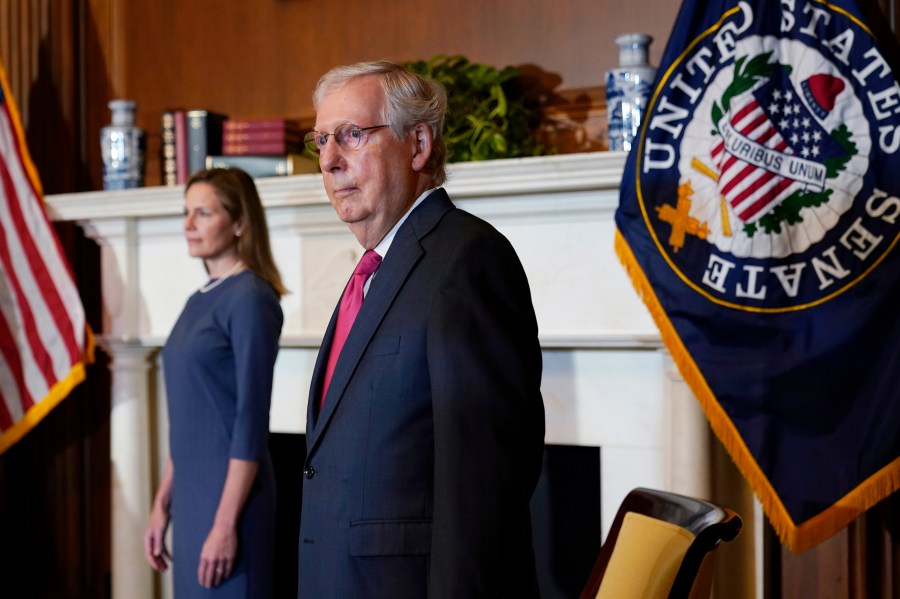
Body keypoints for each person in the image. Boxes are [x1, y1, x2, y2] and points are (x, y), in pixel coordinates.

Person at [298, 60, 545, 598]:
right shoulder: (375, 270)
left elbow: (483, 489)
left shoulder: (468, 260)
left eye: (352, 135)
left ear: (418, 145)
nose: (330, 161)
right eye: (320, 141)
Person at [144, 168, 286, 598]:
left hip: (232, 507)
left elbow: (249, 422)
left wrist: (225, 525)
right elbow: (192, 418)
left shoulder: (251, 297)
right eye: (186, 213)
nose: (188, 225)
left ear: (240, 222)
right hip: (191, 500)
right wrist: (162, 502)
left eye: (202, 213)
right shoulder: (197, 299)